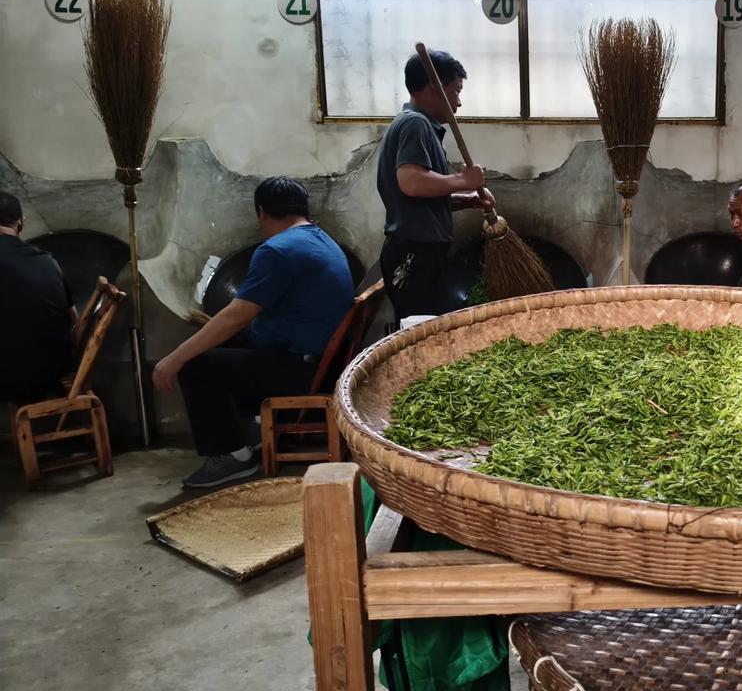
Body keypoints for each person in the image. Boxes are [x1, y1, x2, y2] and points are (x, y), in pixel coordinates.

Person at [153, 177, 354, 488]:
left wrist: (174, 359)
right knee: (227, 344)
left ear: (262, 212)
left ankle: (232, 456)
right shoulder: (323, 240)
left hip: (299, 369)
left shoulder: (278, 250)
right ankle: (257, 429)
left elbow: (236, 316)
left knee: (194, 366)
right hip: (324, 363)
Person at [377, 49, 495, 322]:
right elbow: (411, 182)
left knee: (427, 323)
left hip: (422, 251)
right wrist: (463, 180)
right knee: (419, 326)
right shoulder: (415, 124)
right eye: (456, 91)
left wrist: (468, 199)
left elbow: (423, 196)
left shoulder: (421, 126)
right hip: (413, 253)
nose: (459, 102)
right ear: (435, 88)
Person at [0, 191, 76, 403]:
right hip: (55, 372)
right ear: (21, 223)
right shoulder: (48, 260)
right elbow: (73, 318)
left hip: (10, 378)